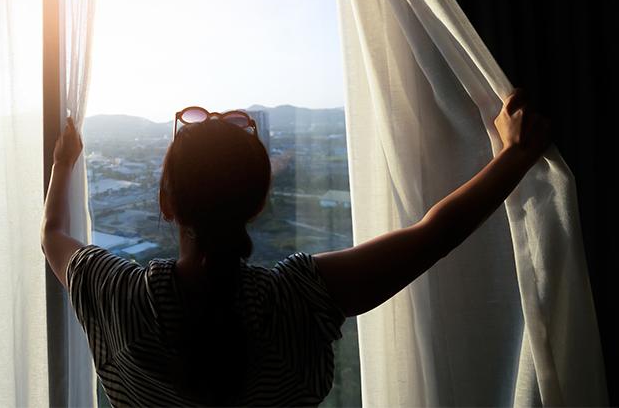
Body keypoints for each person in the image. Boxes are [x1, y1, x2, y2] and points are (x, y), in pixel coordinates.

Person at [40, 89, 551, 406]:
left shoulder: (118, 296)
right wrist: (516, 153)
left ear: (166, 204)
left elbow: (52, 235)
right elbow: (431, 235)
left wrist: (65, 161)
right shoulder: (299, 299)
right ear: (259, 202)